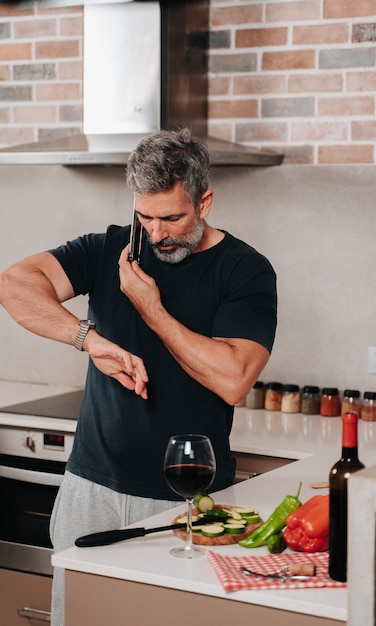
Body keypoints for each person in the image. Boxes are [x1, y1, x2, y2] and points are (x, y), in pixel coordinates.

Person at [0, 127, 277, 625]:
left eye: (171, 217)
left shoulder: (245, 271)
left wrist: (152, 309)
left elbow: (234, 378)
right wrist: (88, 338)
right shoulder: (110, 249)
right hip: (90, 490)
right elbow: (15, 283)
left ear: (205, 201)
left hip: (185, 505)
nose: (155, 234)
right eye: (144, 217)